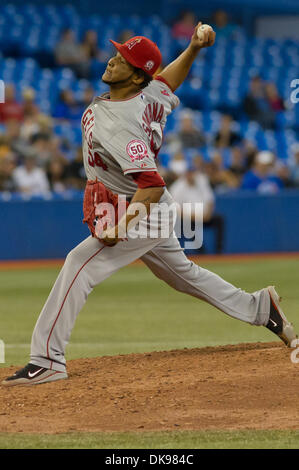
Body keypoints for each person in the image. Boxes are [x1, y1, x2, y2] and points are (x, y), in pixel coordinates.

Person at [3, 25, 297, 387]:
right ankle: (261, 308)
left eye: (122, 60)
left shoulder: (121, 123)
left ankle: (46, 359)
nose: (112, 61)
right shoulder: (148, 93)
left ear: (136, 74)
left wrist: (122, 226)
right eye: (115, 54)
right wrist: (193, 48)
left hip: (141, 211)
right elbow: (167, 81)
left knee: (79, 263)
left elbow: (152, 186)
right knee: (184, 276)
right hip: (144, 207)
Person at [169, 162, 225, 253]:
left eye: (192, 172)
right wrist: (193, 217)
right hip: (188, 218)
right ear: (185, 173)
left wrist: (208, 214)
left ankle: (219, 252)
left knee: (219, 219)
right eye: (189, 172)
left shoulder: (202, 180)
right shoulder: (177, 187)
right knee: (187, 225)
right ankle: (202, 253)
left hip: (204, 216)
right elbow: (176, 210)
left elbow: (210, 200)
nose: (191, 175)